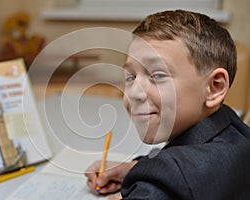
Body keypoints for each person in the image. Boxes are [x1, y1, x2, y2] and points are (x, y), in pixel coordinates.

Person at [84, 10, 250, 199]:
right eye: (130, 77)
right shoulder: (233, 128)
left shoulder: (164, 182)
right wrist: (135, 168)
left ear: (214, 87)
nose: (134, 93)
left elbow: (173, 177)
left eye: (158, 75)